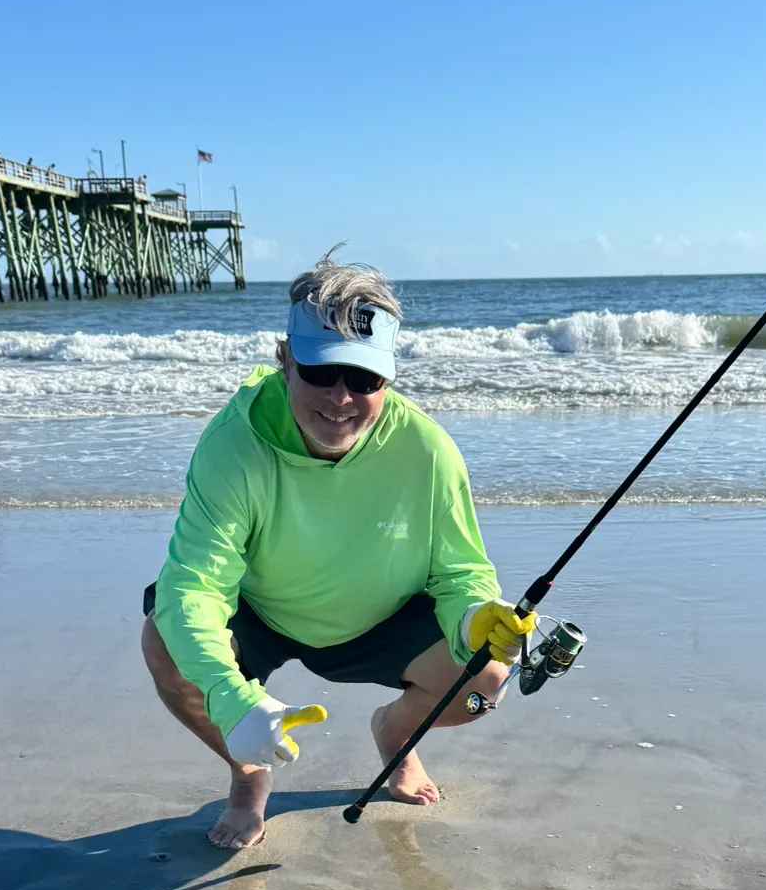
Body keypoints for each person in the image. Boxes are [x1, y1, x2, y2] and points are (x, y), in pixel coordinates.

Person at [141, 255, 532, 849]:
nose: (341, 397)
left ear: (388, 378)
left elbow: (461, 574)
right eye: (321, 373)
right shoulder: (231, 446)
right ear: (286, 361)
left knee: (485, 682)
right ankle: (248, 773)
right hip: (263, 614)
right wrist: (229, 693)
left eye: (364, 378)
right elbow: (193, 587)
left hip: (378, 621)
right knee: (165, 643)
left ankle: (397, 737)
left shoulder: (428, 451)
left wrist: (477, 617)